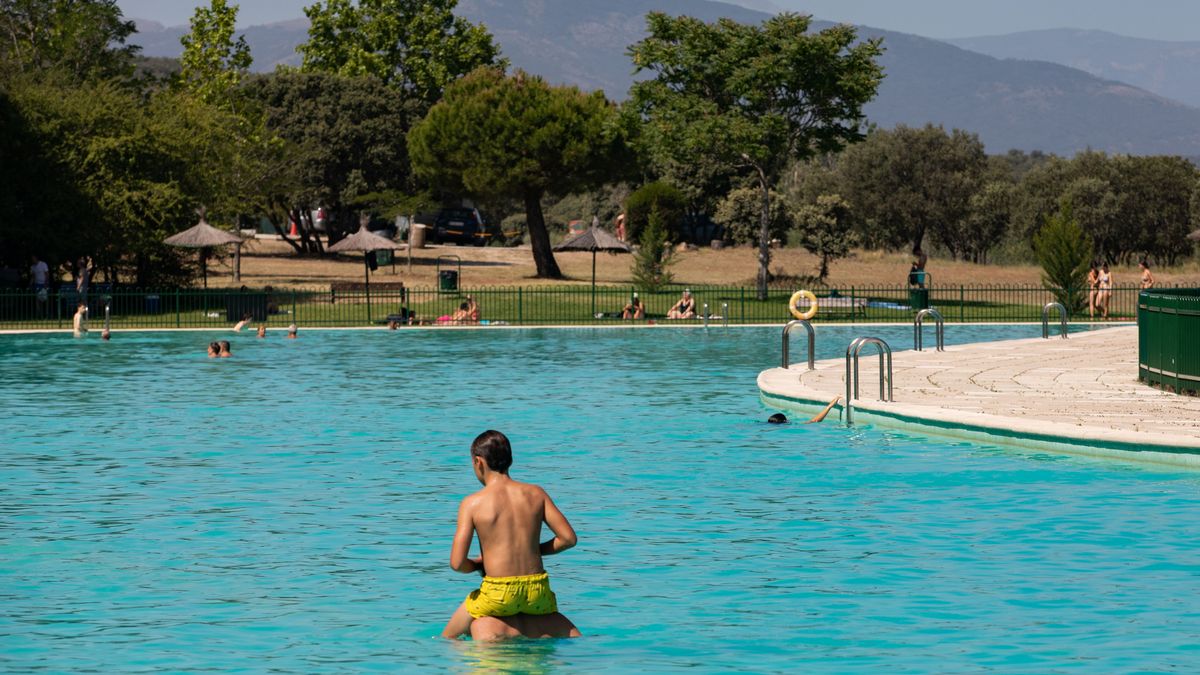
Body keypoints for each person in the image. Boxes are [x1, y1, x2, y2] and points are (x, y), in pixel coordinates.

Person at [441, 430, 581, 641]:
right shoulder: (536, 493)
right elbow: (568, 539)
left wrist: (480, 565)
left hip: (498, 594)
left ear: (479, 462)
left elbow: (457, 563)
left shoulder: (472, 503)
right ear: (510, 460)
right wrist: (534, 549)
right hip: (537, 592)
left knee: (448, 637)